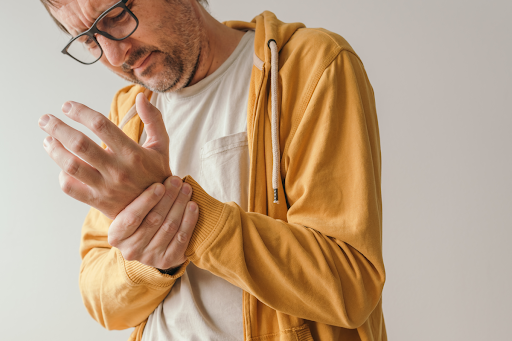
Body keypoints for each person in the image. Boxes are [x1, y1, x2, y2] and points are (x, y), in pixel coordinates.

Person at [38, 0, 387, 340]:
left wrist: (180, 214)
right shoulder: (129, 113)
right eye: (88, 39)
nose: (114, 56)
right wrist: (155, 257)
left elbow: (349, 287)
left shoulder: (311, 65)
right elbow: (102, 302)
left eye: (116, 17)